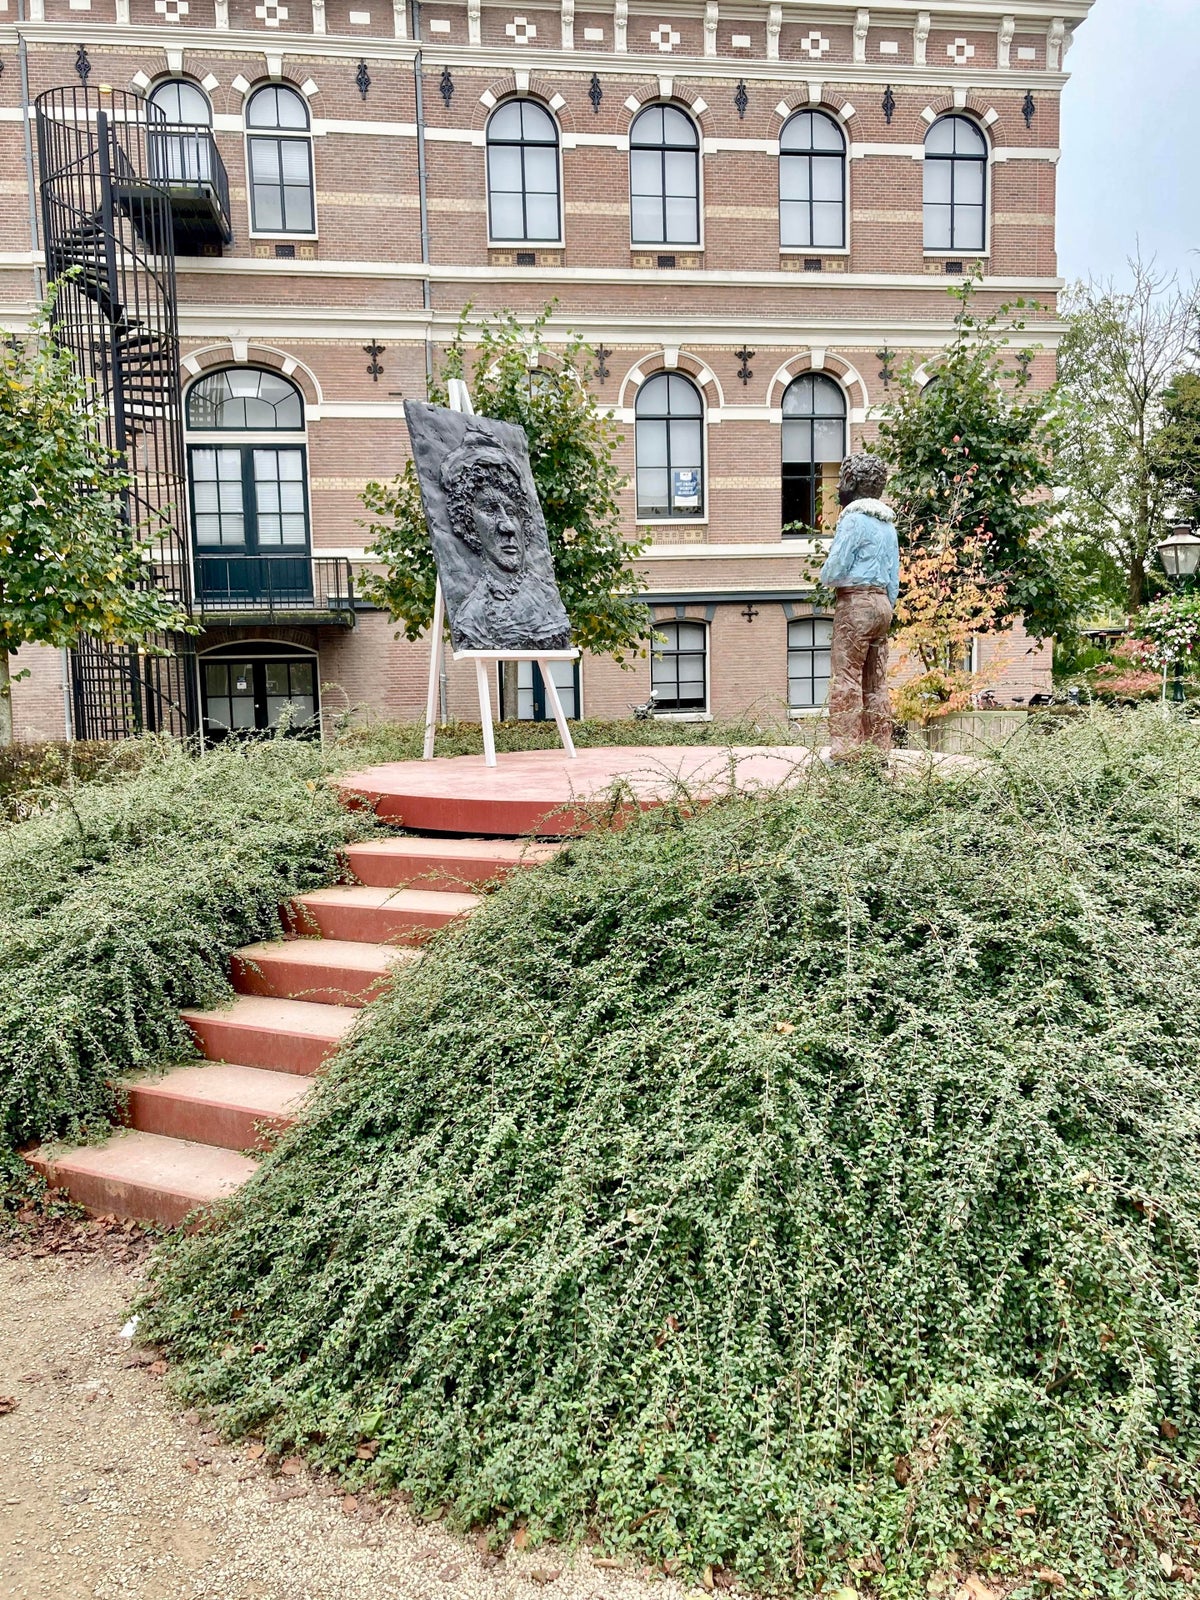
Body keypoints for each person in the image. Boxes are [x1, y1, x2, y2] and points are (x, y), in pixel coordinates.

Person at [439, 434, 571, 652]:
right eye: (490, 511)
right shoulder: (472, 617)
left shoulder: (547, 597)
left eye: (511, 512)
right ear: (469, 524)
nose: (507, 527)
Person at [818, 451, 900, 761]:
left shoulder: (853, 519)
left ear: (851, 482)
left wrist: (827, 576)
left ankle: (846, 752)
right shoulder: (888, 526)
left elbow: (835, 569)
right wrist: (882, 605)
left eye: (840, 480)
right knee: (876, 683)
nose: (838, 487)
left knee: (846, 678)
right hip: (882, 605)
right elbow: (894, 579)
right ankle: (879, 750)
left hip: (856, 603)